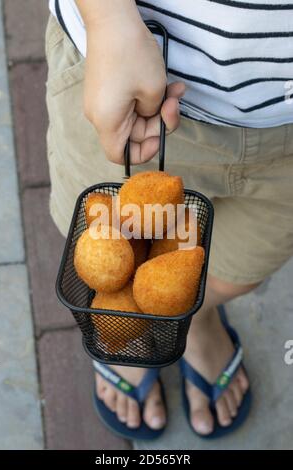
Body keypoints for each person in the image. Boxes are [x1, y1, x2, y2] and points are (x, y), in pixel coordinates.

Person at [46, 0, 293, 439]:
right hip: (128, 88)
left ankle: (194, 319)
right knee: (96, 243)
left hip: (284, 130)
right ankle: (131, 334)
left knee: (244, 263)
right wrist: (107, 20)